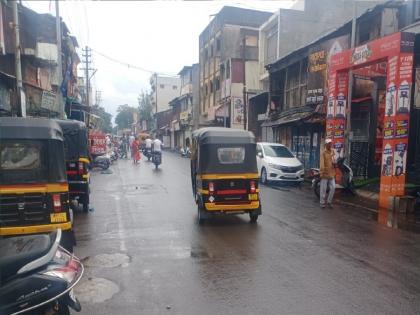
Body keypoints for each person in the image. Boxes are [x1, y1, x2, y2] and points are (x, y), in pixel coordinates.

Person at [320, 138, 336, 208]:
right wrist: (322, 171)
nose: (330, 145)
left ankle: (329, 201)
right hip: (325, 173)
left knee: (333, 187)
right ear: (326, 145)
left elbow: (334, 160)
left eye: (331, 143)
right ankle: (322, 202)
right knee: (323, 189)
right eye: (329, 143)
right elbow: (321, 163)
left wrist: (335, 163)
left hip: (331, 173)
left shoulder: (332, 152)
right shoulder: (323, 153)